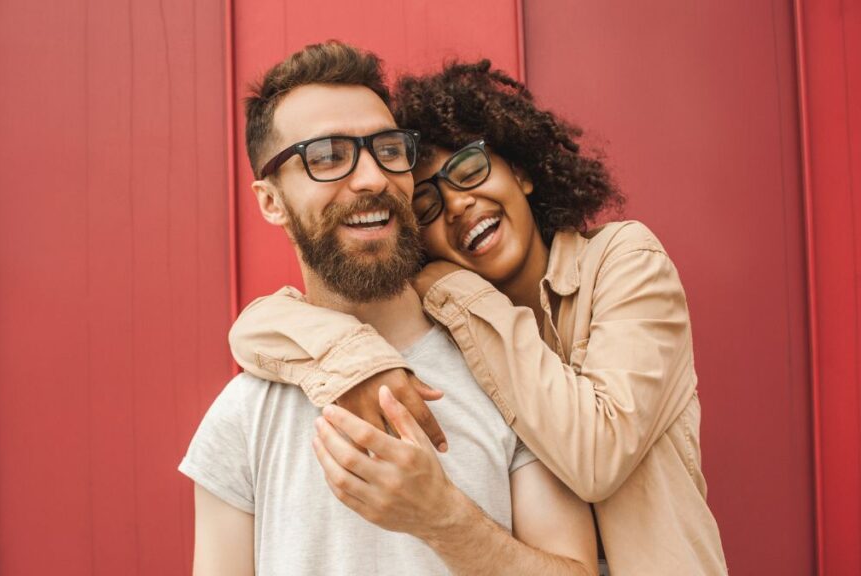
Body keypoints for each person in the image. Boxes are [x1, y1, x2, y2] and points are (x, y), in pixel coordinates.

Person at [229, 60, 729, 575]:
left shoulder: (622, 261)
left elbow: (597, 457)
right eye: (426, 205)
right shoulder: (440, 329)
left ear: (523, 171)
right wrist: (355, 358)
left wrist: (451, 284)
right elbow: (253, 328)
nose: (460, 204)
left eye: (470, 171)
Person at [179, 42, 598, 576]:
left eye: (388, 150)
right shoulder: (244, 415)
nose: (373, 178)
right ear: (270, 200)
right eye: (327, 156)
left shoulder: (505, 366)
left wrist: (443, 519)